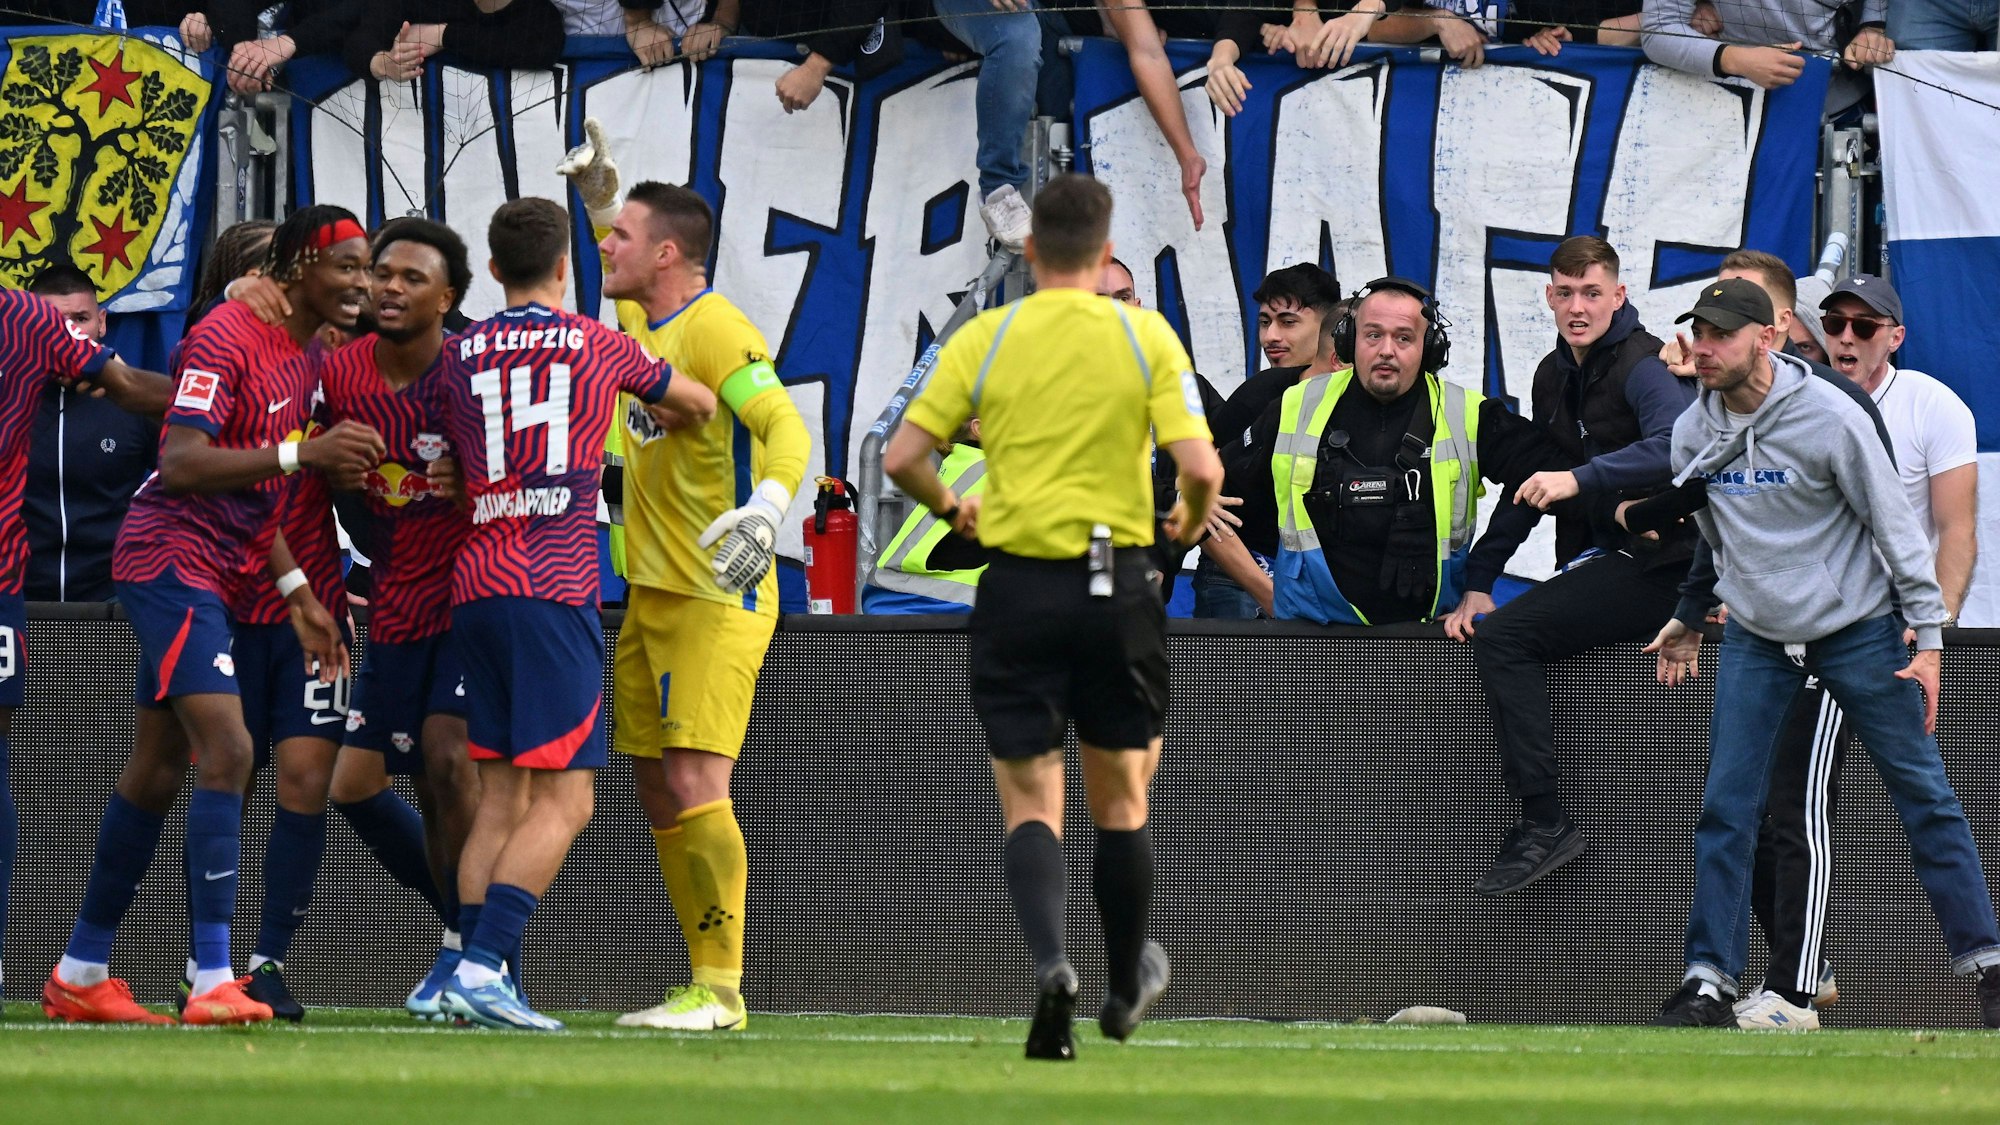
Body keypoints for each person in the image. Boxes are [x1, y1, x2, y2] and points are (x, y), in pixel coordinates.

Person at [884, 174, 1223, 1060]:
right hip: (1115, 578)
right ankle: (1121, 985)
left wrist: (957, 508)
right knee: (1122, 796)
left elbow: (904, 454)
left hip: (1019, 583)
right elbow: (1202, 466)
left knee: (1032, 797)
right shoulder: (1142, 334)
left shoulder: (989, 339)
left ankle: (1050, 967)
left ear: (1031, 251)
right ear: (1106, 252)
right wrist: (1186, 515)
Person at [43, 206, 383, 1026]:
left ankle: (82, 969)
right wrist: (306, 452)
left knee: (157, 766)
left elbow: (252, 489)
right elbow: (185, 461)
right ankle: (212, 980)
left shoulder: (303, 354)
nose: (361, 285)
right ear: (299, 267)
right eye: (346, 268)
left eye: (365, 269)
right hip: (167, 560)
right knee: (228, 747)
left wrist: (301, 593)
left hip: (224, 569)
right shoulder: (228, 334)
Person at [1644, 278, 2000, 1030]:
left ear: (1765, 339)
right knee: (1725, 807)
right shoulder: (1690, 432)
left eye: (1721, 334)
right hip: (1758, 639)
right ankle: (1708, 980)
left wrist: (1930, 642)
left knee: (1924, 797)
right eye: (1697, 333)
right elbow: (1716, 539)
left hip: (1861, 630)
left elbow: (1899, 530)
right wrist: (1686, 613)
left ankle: (1989, 964)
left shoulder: (1832, 415)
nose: (1704, 349)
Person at [430, 197, 716, 1031]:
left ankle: (461, 967)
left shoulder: (460, 353)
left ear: (490, 271)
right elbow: (694, 402)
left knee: (502, 792)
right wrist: (651, 408)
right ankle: (487, 966)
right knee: (570, 798)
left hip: (476, 582)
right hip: (553, 586)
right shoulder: (600, 343)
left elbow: (448, 456)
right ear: (566, 267)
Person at [565, 131, 809, 1030]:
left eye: (621, 237)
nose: (607, 250)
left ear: (667, 253)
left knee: (700, 781)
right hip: (649, 598)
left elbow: (784, 427)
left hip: (718, 592)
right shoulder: (647, 325)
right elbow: (622, 293)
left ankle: (722, 990)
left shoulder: (717, 328)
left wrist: (768, 511)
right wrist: (601, 197)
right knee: (660, 788)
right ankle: (700, 972)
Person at [1440, 237, 1694, 897]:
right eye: (1565, 292)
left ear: (1619, 295)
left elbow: (1675, 447)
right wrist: (1477, 580)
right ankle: (1543, 817)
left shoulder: (1644, 364)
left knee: (1507, 636)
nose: (1578, 306)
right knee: (1495, 626)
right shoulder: (1551, 374)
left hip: (1671, 565)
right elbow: (1533, 484)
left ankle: (1544, 818)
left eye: (1591, 292)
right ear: (1549, 296)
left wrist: (1581, 478)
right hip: (1610, 560)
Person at [313, 219, 482, 1021]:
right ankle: (470, 928)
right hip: (393, 596)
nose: (389, 286)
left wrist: (477, 475)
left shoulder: (475, 369)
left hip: (471, 592)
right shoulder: (337, 371)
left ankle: (477, 952)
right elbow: (309, 478)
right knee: (355, 784)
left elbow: (548, 465)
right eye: (383, 273)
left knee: (450, 758)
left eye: (412, 277)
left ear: (448, 298)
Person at [1231, 278, 1567, 627]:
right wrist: (1260, 587)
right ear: (1348, 341)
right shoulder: (1295, 406)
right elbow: (1210, 484)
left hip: (1427, 639)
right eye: (1373, 335)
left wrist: (1481, 576)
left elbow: (1554, 475)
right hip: (1312, 636)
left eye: (1403, 337)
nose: (1386, 350)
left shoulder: (1468, 414)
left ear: (1430, 348)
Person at [934, 0, 1207, 250]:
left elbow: (1148, 52)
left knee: (1056, 88)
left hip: (1045, 12)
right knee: (1016, 36)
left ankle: (1052, 216)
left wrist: (1188, 156)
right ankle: (998, 189)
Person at [23, 264, 158, 602]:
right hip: (15, 602)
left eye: (80, 320)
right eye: (53, 323)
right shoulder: (8, 399)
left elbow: (187, 483)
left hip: (113, 600)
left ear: (102, 322)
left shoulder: (135, 400)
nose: (69, 334)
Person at [1641, 0, 1893, 109]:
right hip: (1732, 110)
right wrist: (1735, 59)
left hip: (1838, 108)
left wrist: (1872, 26)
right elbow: (1659, 29)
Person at [863, 420, 988, 613]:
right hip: (938, 603)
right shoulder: (998, 470)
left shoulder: (960, 463)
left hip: (884, 595)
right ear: (978, 428)